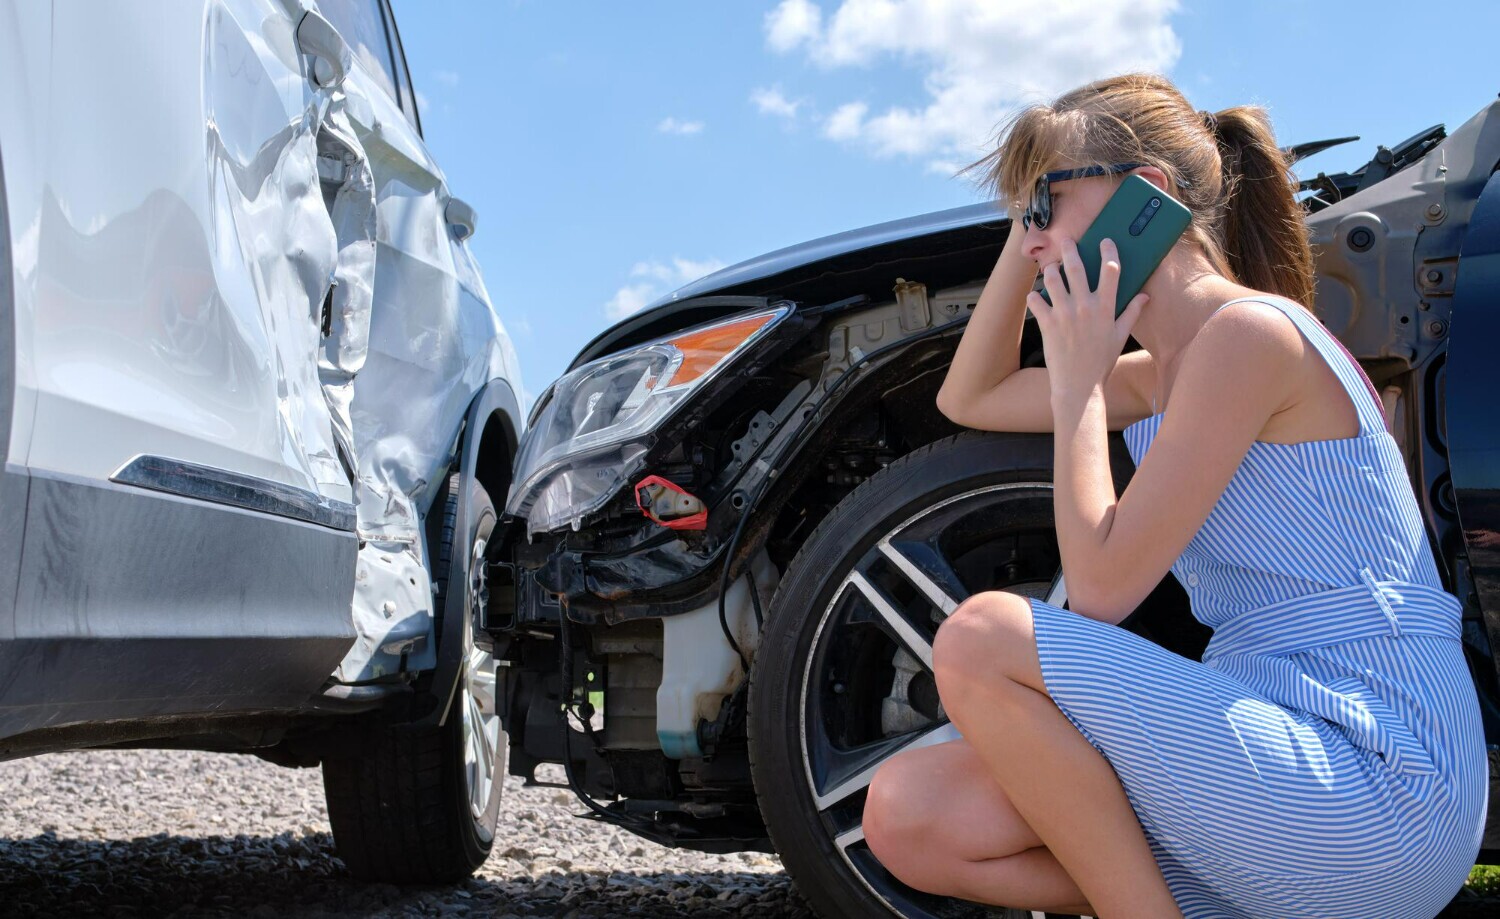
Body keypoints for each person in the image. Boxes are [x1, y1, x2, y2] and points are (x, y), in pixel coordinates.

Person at [859, 72, 1488, 918]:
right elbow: (969, 395)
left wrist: (1079, 384)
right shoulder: (1162, 375)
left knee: (982, 637)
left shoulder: (1250, 335)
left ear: (1145, 197)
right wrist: (1030, 228)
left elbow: (1103, 590)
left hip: (1381, 778)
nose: (1031, 238)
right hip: (1281, 758)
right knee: (909, 812)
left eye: (1044, 204)